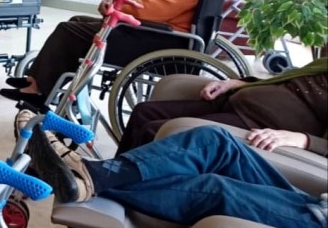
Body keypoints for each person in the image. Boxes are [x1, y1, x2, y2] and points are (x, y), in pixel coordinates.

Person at [22, 115, 327, 228]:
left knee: (217, 189)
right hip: (318, 201)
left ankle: (89, 176)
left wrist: (305, 140)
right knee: (215, 140)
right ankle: (92, 175)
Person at [0, 0, 222, 107]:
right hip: (163, 37)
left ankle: (38, 89)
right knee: (77, 21)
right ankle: (44, 82)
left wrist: (114, 5)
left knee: (69, 31)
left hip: (157, 41)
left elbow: (145, 10)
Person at [117, 57, 327, 155]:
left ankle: (117, 191)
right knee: (145, 112)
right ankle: (108, 177)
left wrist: (303, 140)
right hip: (235, 102)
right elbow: (287, 82)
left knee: (155, 131)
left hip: (256, 122)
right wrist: (237, 83)